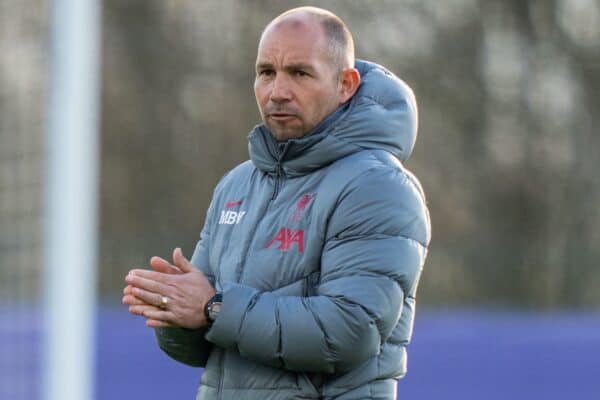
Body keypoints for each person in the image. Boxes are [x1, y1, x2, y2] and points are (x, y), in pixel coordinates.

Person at [123, 6, 431, 400]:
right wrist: (173, 312)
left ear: (346, 84)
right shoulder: (237, 184)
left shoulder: (378, 187)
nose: (277, 91)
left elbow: (351, 330)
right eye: (266, 72)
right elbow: (206, 345)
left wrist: (213, 308)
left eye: (299, 73)